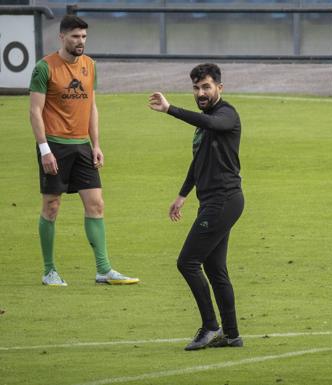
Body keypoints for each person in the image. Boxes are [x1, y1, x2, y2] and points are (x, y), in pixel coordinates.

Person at [29, 15, 139, 286]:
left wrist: (96, 144)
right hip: (54, 145)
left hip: (82, 146)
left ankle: (104, 269)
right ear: (62, 37)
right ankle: (49, 271)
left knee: (96, 204)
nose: (81, 42)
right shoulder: (44, 68)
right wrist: (45, 150)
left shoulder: (90, 65)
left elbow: (91, 107)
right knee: (52, 206)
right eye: (76, 36)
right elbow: (35, 111)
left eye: (84, 37)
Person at [148, 63, 244, 351]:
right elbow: (198, 161)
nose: (201, 93)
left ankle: (210, 326)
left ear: (219, 88)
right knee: (215, 268)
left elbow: (213, 124)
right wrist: (182, 194)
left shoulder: (226, 114)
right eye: (196, 88)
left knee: (187, 262)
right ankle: (231, 335)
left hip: (224, 200)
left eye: (206, 87)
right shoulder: (204, 122)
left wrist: (170, 110)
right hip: (212, 202)